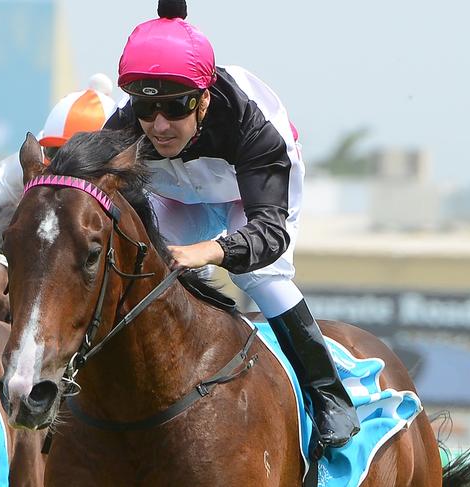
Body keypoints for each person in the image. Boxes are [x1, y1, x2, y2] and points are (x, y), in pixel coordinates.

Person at [105, 0, 360, 449]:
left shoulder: (250, 127)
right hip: (177, 192)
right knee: (138, 262)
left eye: (175, 107)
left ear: (203, 99)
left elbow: (270, 234)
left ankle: (329, 396)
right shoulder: (125, 128)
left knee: (261, 274)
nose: (159, 125)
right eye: (146, 107)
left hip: (250, 194)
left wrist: (208, 251)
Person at [0, 75, 117, 242]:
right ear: (43, 148)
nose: (64, 168)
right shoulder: (26, 167)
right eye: (56, 153)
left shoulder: (129, 175)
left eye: (78, 161)